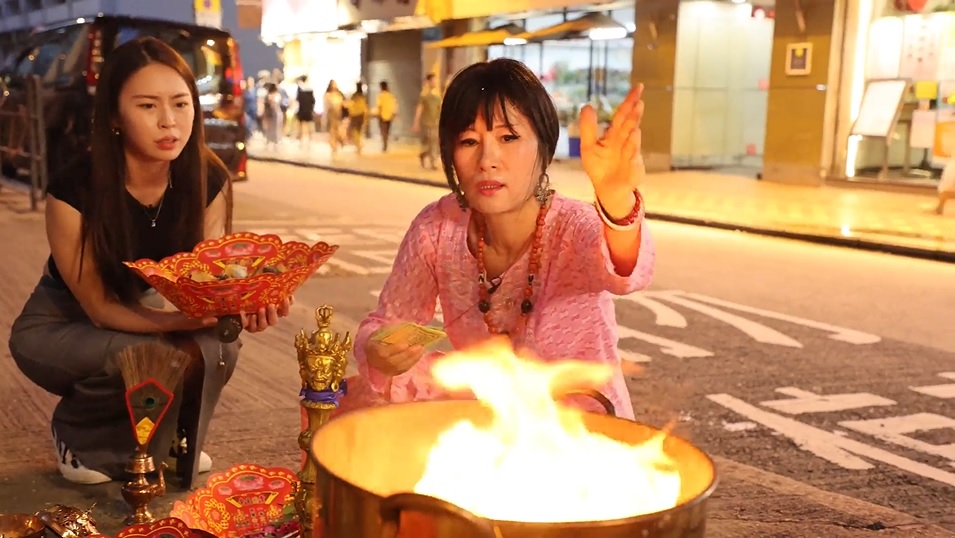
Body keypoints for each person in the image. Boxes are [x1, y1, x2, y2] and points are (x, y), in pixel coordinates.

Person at [7, 37, 290, 487]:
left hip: (149, 308)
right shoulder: (75, 188)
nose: (168, 121)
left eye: (180, 103)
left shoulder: (208, 177)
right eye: (147, 106)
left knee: (220, 346)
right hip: (62, 322)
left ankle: (178, 440)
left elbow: (208, 279)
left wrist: (247, 303)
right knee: (149, 353)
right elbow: (100, 309)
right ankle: (78, 433)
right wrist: (184, 324)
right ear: (116, 117)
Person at [343, 58, 654, 420]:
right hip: (494, 438)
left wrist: (617, 205)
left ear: (543, 145)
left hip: (584, 436)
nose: (488, 159)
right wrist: (380, 349)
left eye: (508, 137)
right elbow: (385, 324)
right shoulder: (437, 229)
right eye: (469, 140)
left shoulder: (572, 227)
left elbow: (626, 271)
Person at [413, 73, 441, 170]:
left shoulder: (437, 95)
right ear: (428, 81)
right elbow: (419, 109)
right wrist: (416, 123)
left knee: (435, 143)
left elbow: (439, 108)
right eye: (433, 80)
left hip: (435, 123)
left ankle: (433, 163)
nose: (435, 82)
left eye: (435, 80)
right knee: (428, 143)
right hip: (426, 123)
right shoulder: (424, 95)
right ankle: (423, 155)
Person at [374, 80, 398, 152]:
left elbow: (379, 106)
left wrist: (378, 114)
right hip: (389, 116)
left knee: (383, 131)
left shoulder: (380, 96)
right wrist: (394, 114)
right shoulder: (391, 95)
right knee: (387, 131)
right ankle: (385, 143)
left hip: (382, 116)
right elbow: (394, 105)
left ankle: (384, 144)